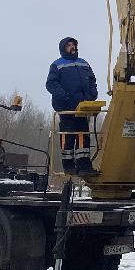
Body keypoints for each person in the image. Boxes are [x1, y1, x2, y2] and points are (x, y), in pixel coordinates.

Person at [45, 36, 98, 176]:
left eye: (73, 44)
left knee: (83, 136)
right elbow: (51, 84)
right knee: (68, 136)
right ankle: (68, 165)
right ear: (63, 48)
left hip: (83, 108)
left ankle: (84, 165)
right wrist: (65, 97)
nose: (72, 47)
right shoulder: (57, 65)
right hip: (66, 108)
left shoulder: (84, 63)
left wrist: (92, 95)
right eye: (68, 45)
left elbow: (92, 80)